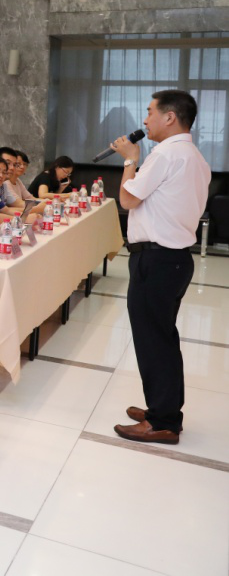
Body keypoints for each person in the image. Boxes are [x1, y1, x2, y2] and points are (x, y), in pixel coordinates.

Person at [109, 90, 210, 445]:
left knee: (154, 340)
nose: (145, 119)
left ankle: (163, 421)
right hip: (175, 259)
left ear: (170, 117)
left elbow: (127, 199)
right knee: (162, 337)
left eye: (150, 111)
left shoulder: (165, 154)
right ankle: (162, 409)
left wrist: (130, 159)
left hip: (156, 259)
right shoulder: (195, 157)